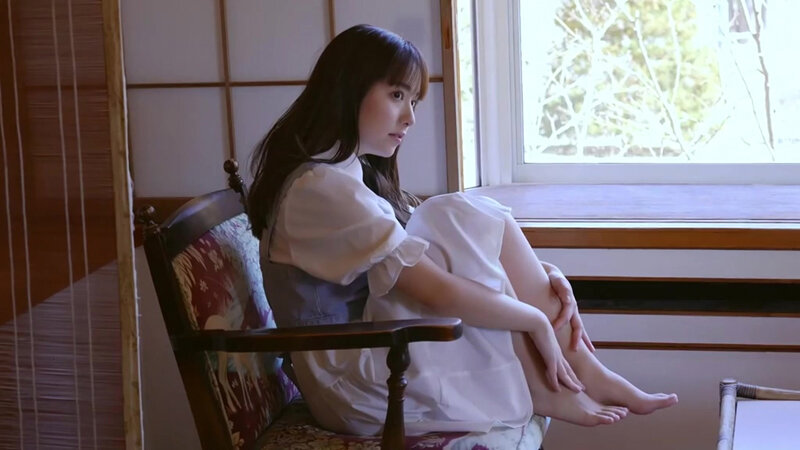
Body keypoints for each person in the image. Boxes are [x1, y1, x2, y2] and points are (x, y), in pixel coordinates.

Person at [247, 24, 677, 436]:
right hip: (355, 383)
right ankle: (558, 380)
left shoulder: (345, 174)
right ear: (348, 89)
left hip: (376, 353)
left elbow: (437, 258)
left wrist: (545, 274)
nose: (410, 117)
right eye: (396, 95)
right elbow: (434, 289)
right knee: (452, 213)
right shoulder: (321, 188)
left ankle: (583, 371)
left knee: (457, 217)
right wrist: (535, 320)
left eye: (413, 101)